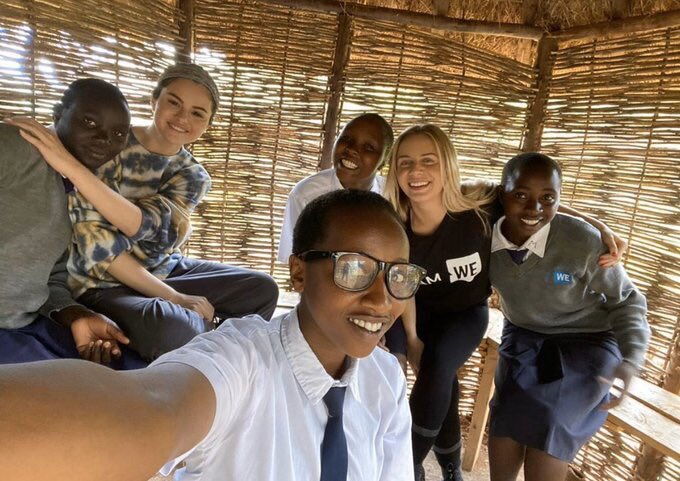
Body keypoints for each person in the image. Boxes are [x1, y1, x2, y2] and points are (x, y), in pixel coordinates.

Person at [0, 189, 425, 481]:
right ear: (298, 272)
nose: (381, 298)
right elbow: (157, 407)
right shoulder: (241, 361)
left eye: (398, 277)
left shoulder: (383, 379)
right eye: (354, 268)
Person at [383, 124, 628, 481]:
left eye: (428, 161)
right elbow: (401, 284)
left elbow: (540, 203)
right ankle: (447, 469)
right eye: (404, 162)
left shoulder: (480, 205)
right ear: (394, 170)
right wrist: (413, 339)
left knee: (437, 367)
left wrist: (598, 225)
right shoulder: (394, 221)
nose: (415, 172)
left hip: (464, 314)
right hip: (411, 311)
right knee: (399, 371)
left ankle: (405, 467)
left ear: (448, 165)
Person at [11, 63, 279, 361]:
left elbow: (149, 228)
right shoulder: (109, 142)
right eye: (173, 102)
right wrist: (175, 298)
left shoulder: (192, 175)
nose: (181, 117)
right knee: (173, 330)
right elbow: (98, 249)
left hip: (161, 269)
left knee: (262, 289)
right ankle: (201, 345)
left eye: (197, 113)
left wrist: (72, 170)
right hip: (100, 279)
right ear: (155, 101)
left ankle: (215, 348)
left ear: (208, 124)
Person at [487, 152, 649, 481]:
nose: (533, 209)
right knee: (504, 422)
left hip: (588, 341)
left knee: (552, 430)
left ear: (559, 200)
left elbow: (628, 299)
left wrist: (631, 358)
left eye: (548, 198)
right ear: (502, 195)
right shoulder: (482, 230)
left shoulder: (581, 242)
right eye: (520, 195)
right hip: (523, 335)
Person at [1, 78, 144, 368]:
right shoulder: (16, 144)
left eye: (118, 133)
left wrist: (76, 315)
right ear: (58, 115)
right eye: (90, 122)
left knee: (133, 371)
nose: (105, 138)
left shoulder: (79, 191)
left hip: (25, 328)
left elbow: (49, 279)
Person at [277, 113, 393, 263]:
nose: (352, 149)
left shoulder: (392, 196)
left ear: (383, 161)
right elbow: (296, 262)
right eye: (346, 139)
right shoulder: (305, 196)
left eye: (368, 147)